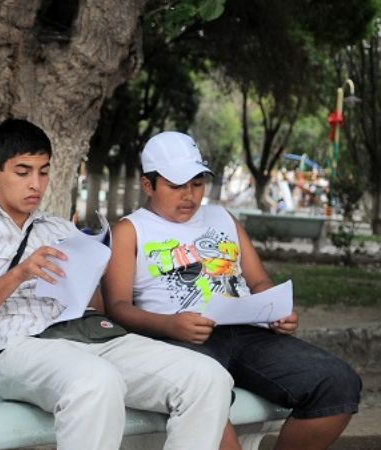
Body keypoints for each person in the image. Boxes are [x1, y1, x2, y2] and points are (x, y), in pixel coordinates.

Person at [0, 119, 234, 450]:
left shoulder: (60, 229)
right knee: (96, 380)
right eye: (23, 171)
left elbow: (96, 307)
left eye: (43, 172)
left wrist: (89, 264)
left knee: (208, 377)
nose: (36, 184)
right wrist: (20, 273)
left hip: (94, 334)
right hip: (20, 346)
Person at [102, 131, 362, 450]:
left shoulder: (222, 217)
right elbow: (116, 306)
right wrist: (170, 324)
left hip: (246, 332)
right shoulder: (131, 230)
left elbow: (259, 282)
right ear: (148, 185)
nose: (189, 196)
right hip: (176, 341)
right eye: (176, 186)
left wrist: (275, 310)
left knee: (338, 382)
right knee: (204, 393)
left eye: (197, 184)